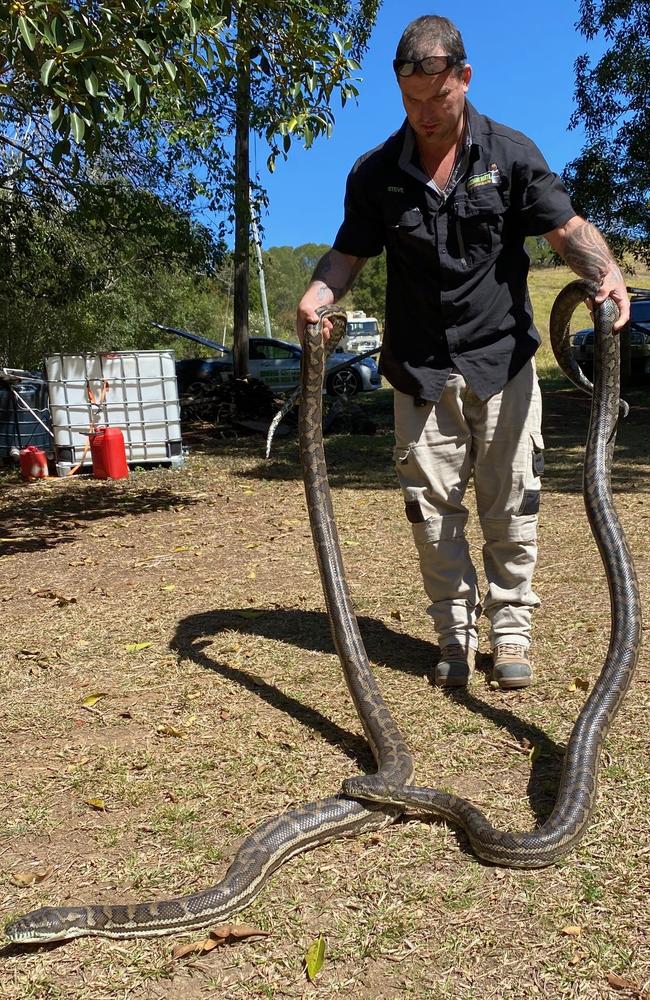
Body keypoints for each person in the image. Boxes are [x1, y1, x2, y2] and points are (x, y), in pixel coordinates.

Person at [296, 14, 629, 691]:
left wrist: (606, 273)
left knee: (512, 503)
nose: (424, 113)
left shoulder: (509, 154)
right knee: (431, 512)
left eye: (437, 99)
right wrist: (318, 294)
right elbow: (347, 254)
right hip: (419, 370)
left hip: (502, 362)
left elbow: (566, 229)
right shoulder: (376, 175)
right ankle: (453, 634)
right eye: (411, 101)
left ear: (463, 78)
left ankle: (510, 631)